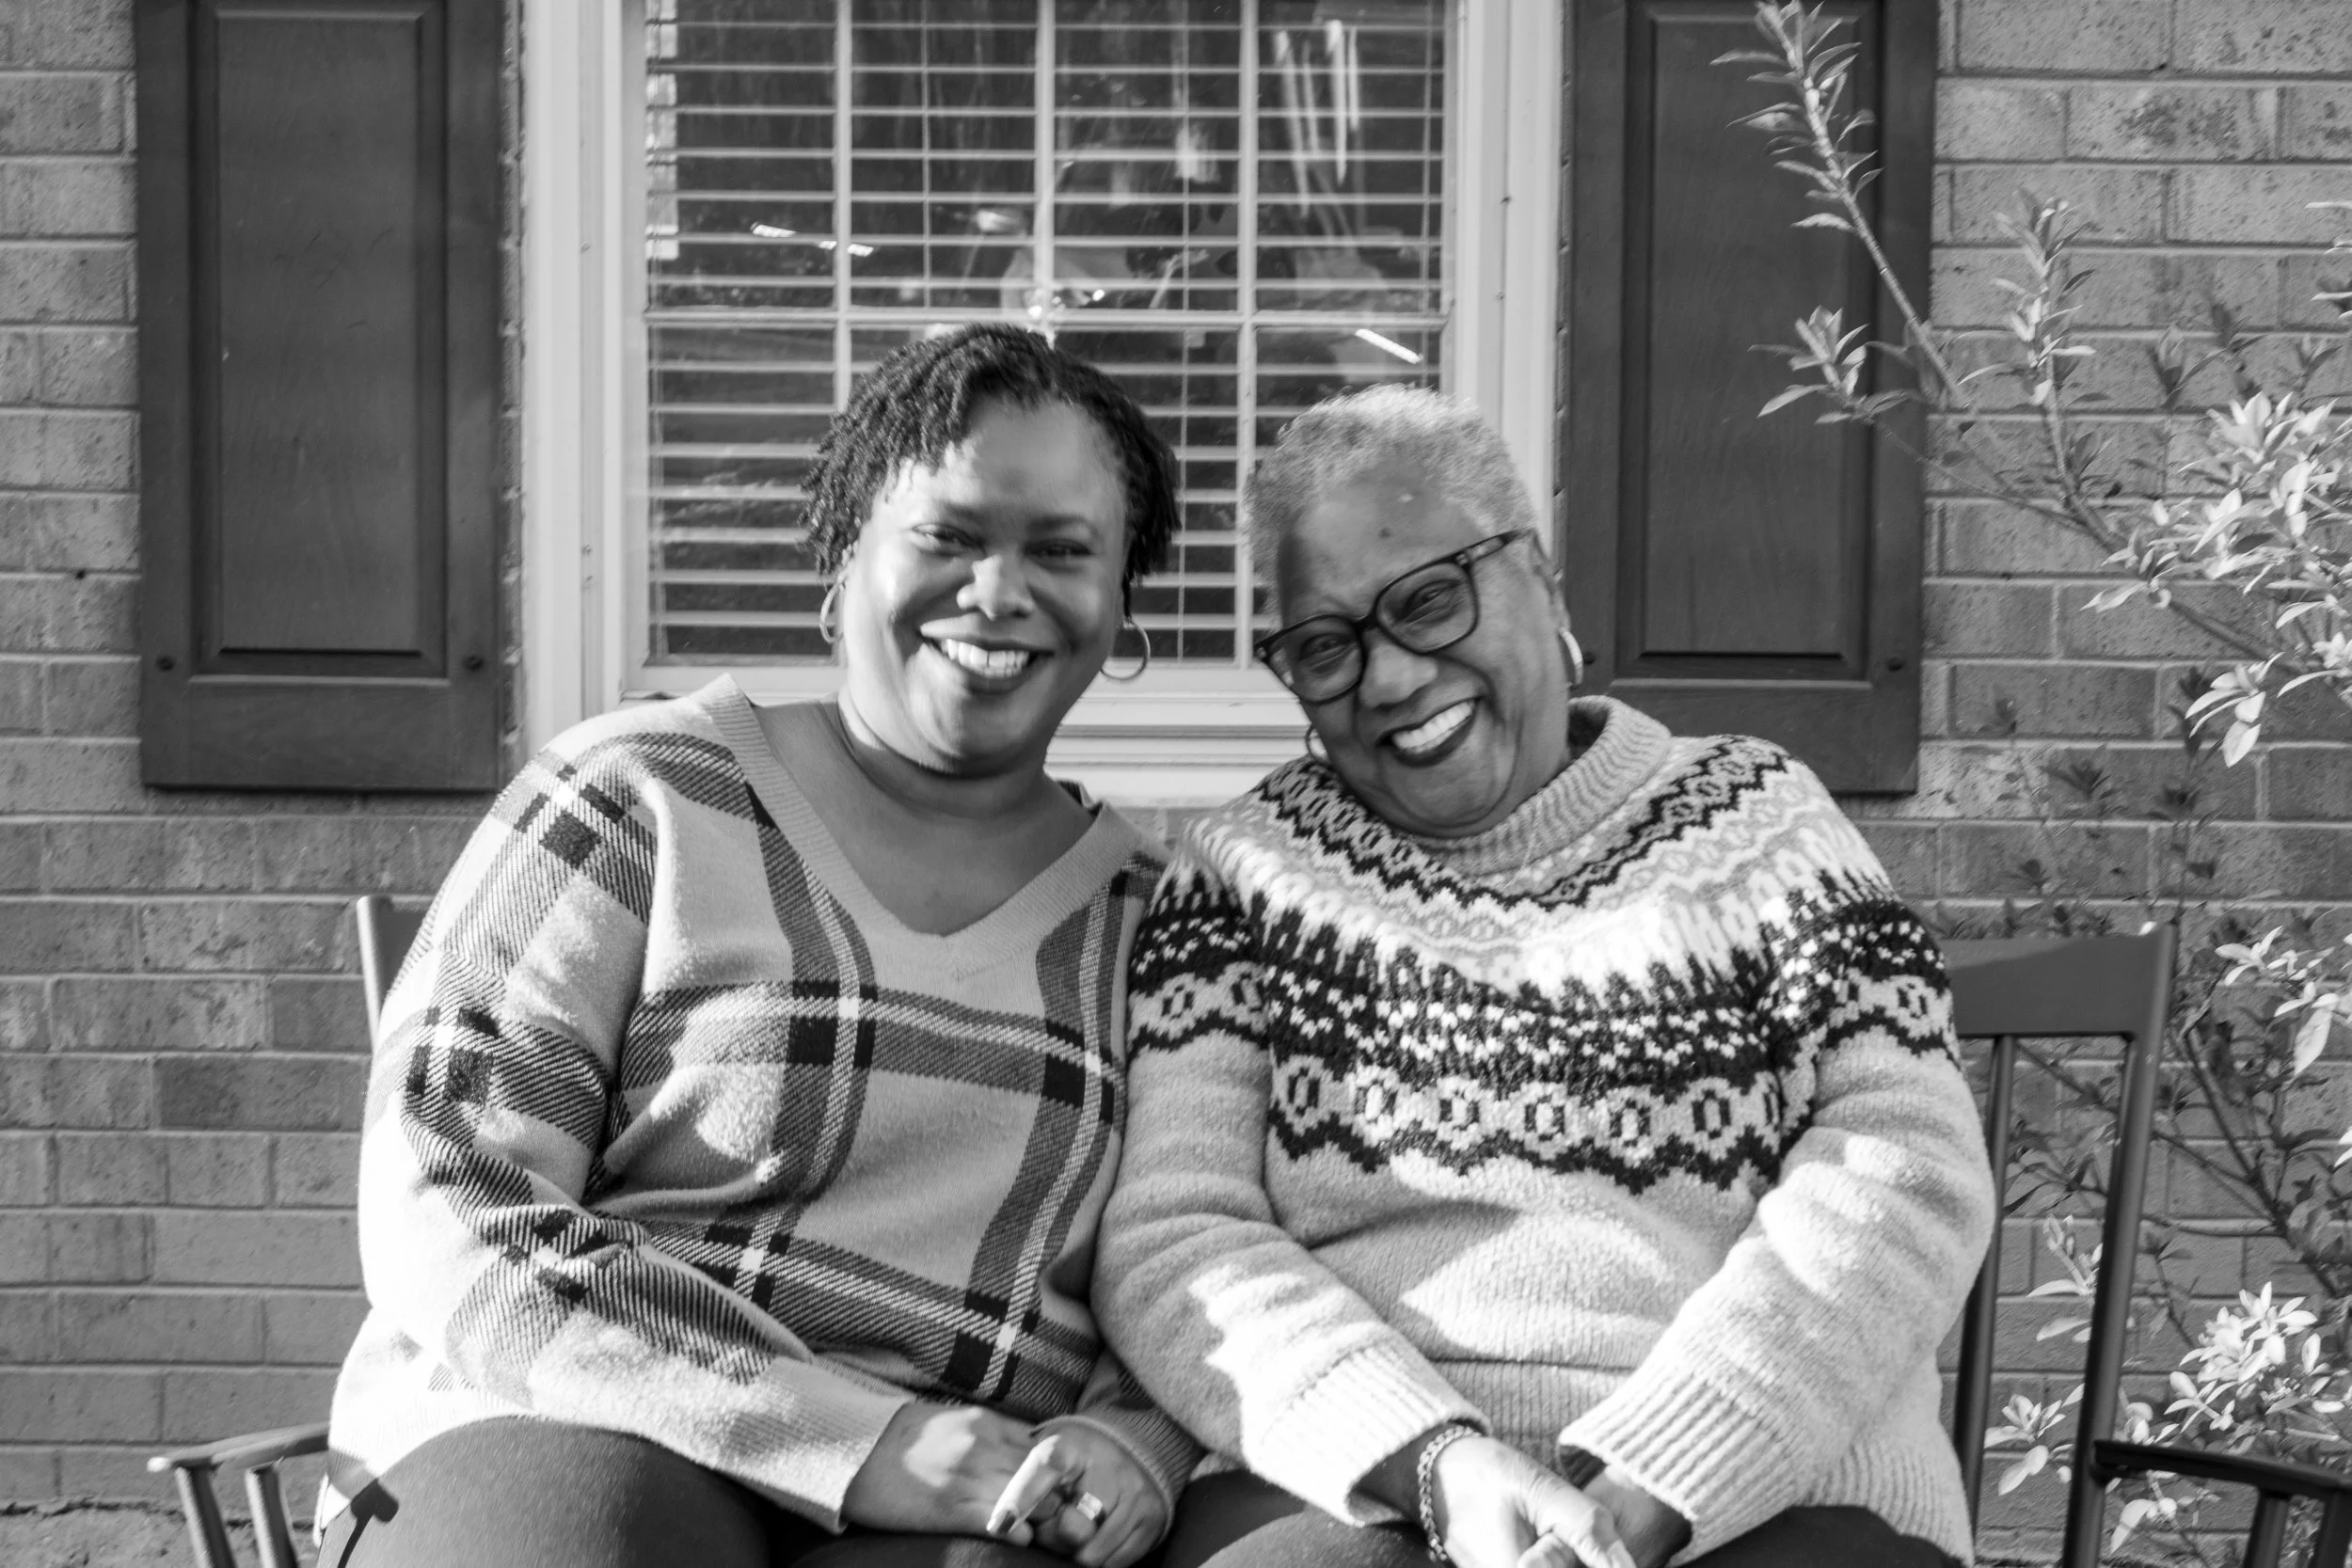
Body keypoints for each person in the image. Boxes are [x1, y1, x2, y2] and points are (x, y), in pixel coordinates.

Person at [321, 325, 1199, 1568]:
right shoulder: (642, 793)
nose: (999, 592)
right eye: (947, 536)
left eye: (1062, 550)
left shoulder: (1156, 928)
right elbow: (450, 1186)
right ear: (842, 565)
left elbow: (1190, 1266)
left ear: (1121, 609)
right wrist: (850, 1436)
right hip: (574, 1428)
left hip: (969, 1500)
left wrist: (1133, 1444)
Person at [1095, 387, 1996, 1568]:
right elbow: (1180, 1235)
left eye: (1429, 599)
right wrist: (1435, 1462)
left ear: (1543, 580)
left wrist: (1658, 1480)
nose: (1388, 677)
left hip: (1757, 1495)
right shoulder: (1244, 874)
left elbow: (1903, 1168)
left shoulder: (1759, 821)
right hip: (1362, 1498)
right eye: (1325, 645)